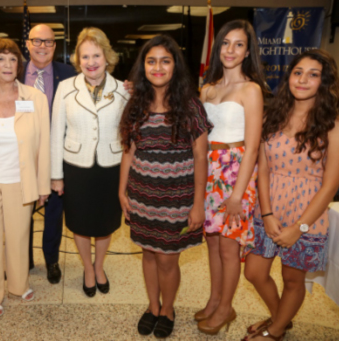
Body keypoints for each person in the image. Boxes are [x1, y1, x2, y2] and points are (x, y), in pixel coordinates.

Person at [242, 50, 339, 341]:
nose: (303, 80)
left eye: (313, 74)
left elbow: (330, 186)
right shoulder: (273, 115)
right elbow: (262, 169)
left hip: (307, 213)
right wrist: (266, 214)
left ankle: (277, 329)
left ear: (324, 82)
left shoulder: (336, 126)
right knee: (253, 272)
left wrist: (299, 227)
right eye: (297, 72)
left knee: (292, 279)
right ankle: (282, 316)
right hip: (269, 206)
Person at [119, 35, 211, 338]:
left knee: (168, 259)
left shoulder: (190, 106)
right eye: (151, 60)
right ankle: (152, 306)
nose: (158, 67)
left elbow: (200, 156)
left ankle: (168, 309)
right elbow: (129, 152)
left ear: (175, 66)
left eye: (165, 60)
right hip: (142, 196)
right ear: (143, 66)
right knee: (148, 254)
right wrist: (122, 192)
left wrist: (198, 204)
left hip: (178, 199)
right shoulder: (136, 105)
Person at [0, 38, 50, 317]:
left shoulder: (34, 98)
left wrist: (43, 184)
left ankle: (18, 285)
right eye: (0, 58)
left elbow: (44, 144)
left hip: (20, 179)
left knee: (19, 236)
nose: (7, 64)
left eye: (13, 59)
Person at [197, 19, 267, 335]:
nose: (230, 50)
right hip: (209, 171)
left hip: (235, 172)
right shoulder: (207, 89)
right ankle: (215, 300)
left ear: (247, 51)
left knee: (229, 249)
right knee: (212, 243)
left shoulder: (251, 90)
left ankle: (226, 308)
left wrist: (238, 194)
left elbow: (252, 147)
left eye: (238, 44)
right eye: (226, 43)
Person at [50, 27, 129, 297]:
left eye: (96, 55)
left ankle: (99, 266)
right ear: (78, 60)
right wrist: (55, 175)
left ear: (107, 57)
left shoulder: (122, 90)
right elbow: (55, 133)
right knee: (81, 223)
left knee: (106, 223)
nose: (91, 62)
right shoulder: (65, 88)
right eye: (85, 57)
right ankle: (86, 268)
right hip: (76, 168)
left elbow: (129, 133)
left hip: (111, 167)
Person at [22, 24, 76, 284]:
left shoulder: (68, 74)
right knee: (21, 210)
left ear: (55, 46)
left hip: (56, 154)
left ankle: (51, 260)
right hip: (21, 156)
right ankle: (24, 259)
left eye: (49, 42)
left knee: (54, 211)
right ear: (27, 43)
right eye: (37, 41)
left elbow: (94, 89)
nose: (42, 46)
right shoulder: (13, 71)